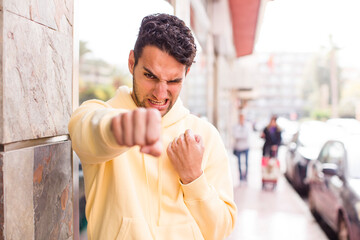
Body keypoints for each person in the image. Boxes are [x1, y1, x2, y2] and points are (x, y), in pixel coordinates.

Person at [69, 13, 236, 240]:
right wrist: (124, 128)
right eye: (150, 76)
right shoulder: (97, 114)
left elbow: (220, 231)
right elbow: (87, 131)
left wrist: (193, 178)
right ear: (131, 63)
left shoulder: (205, 135)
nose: (160, 93)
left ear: (186, 74)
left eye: (174, 81)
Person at [233, 113, 252, 181]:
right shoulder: (236, 126)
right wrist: (241, 136)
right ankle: (240, 176)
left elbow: (246, 135)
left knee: (246, 162)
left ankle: (246, 176)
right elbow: (235, 135)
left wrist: (240, 136)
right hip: (238, 147)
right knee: (239, 162)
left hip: (246, 147)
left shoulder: (247, 126)